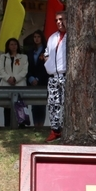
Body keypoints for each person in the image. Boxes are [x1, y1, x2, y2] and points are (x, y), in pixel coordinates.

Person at [44, 11, 67, 142]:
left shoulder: (72, 37)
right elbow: (46, 53)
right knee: (53, 104)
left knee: (66, 103)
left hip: (66, 75)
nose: (59, 22)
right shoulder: (52, 37)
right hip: (53, 76)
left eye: (61, 19)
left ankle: (66, 129)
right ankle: (55, 130)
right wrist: (47, 62)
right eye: (56, 20)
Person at [0, 37, 29, 128]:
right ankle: (7, 125)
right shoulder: (3, 57)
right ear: (8, 46)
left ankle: (22, 125)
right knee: (7, 106)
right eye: (11, 44)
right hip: (7, 83)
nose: (13, 46)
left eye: (15, 44)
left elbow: (24, 70)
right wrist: (8, 78)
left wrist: (15, 79)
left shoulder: (23, 57)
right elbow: (0, 70)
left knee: (20, 105)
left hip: (19, 83)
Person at [25, 30, 49, 127]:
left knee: (41, 104)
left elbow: (47, 67)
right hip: (32, 80)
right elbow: (27, 66)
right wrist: (30, 78)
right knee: (34, 104)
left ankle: (41, 125)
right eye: (35, 37)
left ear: (42, 38)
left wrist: (38, 78)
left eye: (38, 37)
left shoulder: (46, 50)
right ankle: (35, 124)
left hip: (42, 80)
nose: (36, 39)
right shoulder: (30, 51)